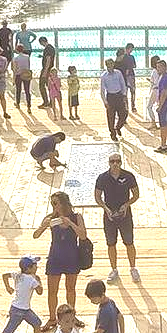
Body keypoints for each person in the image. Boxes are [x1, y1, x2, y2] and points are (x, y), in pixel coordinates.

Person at [33, 190, 87, 317]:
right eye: (52, 203)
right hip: (55, 258)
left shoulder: (76, 217)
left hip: (71, 257)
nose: (54, 206)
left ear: (63, 203)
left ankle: (72, 317)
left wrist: (70, 223)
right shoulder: (50, 218)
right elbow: (35, 235)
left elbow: (83, 235)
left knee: (71, 290)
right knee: (52, 291)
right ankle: (52, 318)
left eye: (56, 203)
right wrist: (43, 226)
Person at [93, 152, 140, 283]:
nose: (115, 164)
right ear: (109, 163)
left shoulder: (128, 176)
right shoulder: (102, 178)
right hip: (109, 215)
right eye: (112, 161)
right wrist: (106, 209)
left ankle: (133, 268)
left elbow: (136, 195)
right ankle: (114, 270)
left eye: (117, 161)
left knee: (129, 242)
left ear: (121, 162)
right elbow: (97, 197)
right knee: (111, 244)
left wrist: (126, 205)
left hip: (125, 214)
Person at [150, 56, 167, 152]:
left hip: (165, 104)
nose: (158, 69)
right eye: (157, 67)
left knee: (163, 125)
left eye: (159, 67)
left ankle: (163, 145)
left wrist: (160, 106)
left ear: (164, 67)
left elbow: (164, 93)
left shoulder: (165, 78)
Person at [100, 59, 128, 141]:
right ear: (106, 65)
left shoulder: (118, 73)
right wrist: (105, 102)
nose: (110, 65)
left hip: (119, 96)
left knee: (124, 114)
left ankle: (118, 127)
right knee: (111, 117)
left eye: (111, 64)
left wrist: (124, 95)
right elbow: (102, 90)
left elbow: (123, 84)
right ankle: (112, 133)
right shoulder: (104, 76)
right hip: (110, 97)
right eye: (108, 64)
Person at [116, 43, 138, 117]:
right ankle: (130, 106)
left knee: (129, 92)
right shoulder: (127, 57)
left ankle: (129, 106)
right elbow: (133, 66)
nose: (131, 50)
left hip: (128, 76)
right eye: (131, 49)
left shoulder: (128, 57)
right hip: (128, 76)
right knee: (129, 92)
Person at [12, 45, 34, 110]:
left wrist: (13, 78)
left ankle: (18, 103)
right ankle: (29, 106)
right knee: (27, 90)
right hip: (26, 74)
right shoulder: (27, 57)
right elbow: (28, 66)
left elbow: (15, 69)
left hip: (19, 74)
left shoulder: (15, 58)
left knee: (18, 90)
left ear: (16, 50)